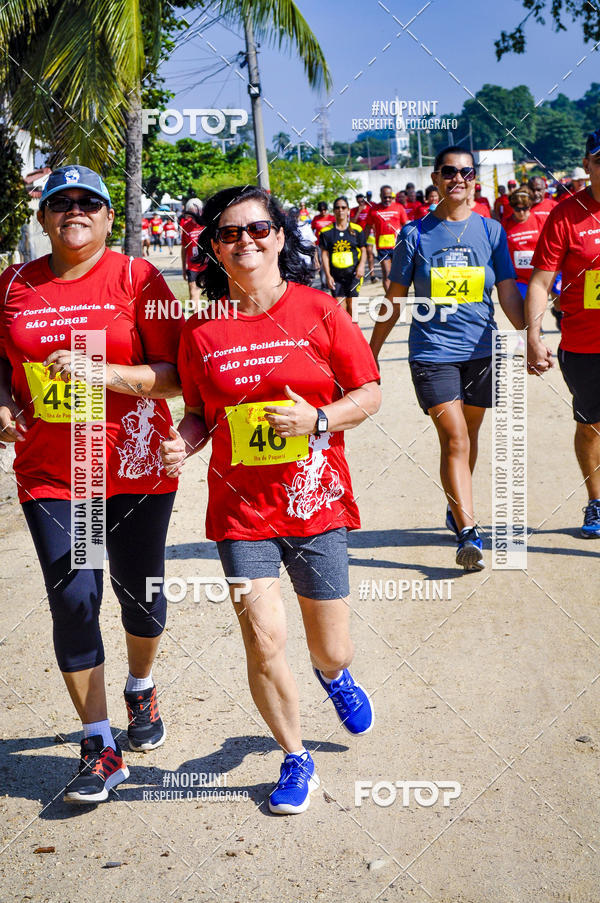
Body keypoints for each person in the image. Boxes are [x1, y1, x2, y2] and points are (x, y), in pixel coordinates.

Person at [161, 185, 380, 815]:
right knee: (262, 640)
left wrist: (318, 420)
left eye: (258, 229)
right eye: (230, 233)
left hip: (316, 505)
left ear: (281, 238)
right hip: (241, 512)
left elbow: (368, 393)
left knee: (329, 646)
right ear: (214, 249)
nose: (246, 241)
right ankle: (295, 758)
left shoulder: (320, 311)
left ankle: (335, 676)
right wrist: (184, 444)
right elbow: (201, 414)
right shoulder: (201, 332)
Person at [0, 165, 182, 803]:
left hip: (132, 468)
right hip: (57, 475)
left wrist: (98, 373)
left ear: (109, 216)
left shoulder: (139, 279)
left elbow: (174, 377)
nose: (73, 209)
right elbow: (1, 362)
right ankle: (98, 743)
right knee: (76, 597)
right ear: (45, 216)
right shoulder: (16, 283)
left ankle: (139, 686)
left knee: (141, 599)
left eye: (88, 202)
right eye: (60, 202)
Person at [369, 146, 524, 570]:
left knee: (468, 438)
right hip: (432, 351)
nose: (458, 178)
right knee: (454, 436)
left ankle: (458, 508)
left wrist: (528, 334)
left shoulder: (492, 231)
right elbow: (394, 298)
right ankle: (469, 533)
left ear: (474, 178)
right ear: (435, 179)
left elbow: (507, 289)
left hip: (481, 351)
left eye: (466, 172)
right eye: (449, 172)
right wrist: (371, 353)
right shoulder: (414, 234)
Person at [526, 128, 600, 537]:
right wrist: (533, 337)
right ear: (587, 165)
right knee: (591, 424)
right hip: (585, 343)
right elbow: (539, 283)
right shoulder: (565, 215)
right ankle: (597, 501)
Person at [319, 195, 366, 317]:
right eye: (337, 208)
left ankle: (355, 334)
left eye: (343, 207)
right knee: (340, 309)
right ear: (334, 210)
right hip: (336, 276)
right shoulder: (326, 232)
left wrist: (361, 267)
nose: (340, 210)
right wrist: (327, 275)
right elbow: (324, 254)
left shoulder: (357, 230)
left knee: (352, 307)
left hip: (353, 275)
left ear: (348, 210)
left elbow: (364, 250)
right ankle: (345, 335)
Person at [366, 185, 408, 293]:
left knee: (398, 274)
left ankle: (398, 295)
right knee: (387, 273)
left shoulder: (399, 208)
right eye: (385, 197)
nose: (387, 199)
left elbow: (406, 225)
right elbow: (368, 227)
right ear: (380, 196)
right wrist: (361, 242)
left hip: (397, 246)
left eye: (389, 197)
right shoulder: (374, 209)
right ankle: (390, 298)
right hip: (382, 246)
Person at [504, 186, 543, 299]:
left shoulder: (539, 220)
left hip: (538, 275)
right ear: (512, 208)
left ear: (530, 206)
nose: (521, 212)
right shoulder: (506, 223)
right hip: (519, 278)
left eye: (525, 208)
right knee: (525, 311)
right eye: (517, 209)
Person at [180, 198, 206, 307]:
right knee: (192, 291)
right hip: (192, 265)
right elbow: (184, 248)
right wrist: (183, 268)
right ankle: (196, 313)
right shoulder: (186, 227)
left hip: (206, 264)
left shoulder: (206, 224)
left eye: (196, 210)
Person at [351, 193, 377, 283]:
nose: (361, 203)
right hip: (357, 234)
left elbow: (373, 221)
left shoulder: (370, 209)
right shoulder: (354, 210)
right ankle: (357, 273)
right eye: (359, 201)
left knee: (369, 253)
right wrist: (359, 211)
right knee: (358, 254)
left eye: (362, 201)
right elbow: (353, 222)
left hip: (369, 233)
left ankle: (372, 274)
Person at [311, 201, 335, 290]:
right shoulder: (316, 219)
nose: (323, 212)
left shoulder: (332, 218)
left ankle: (332, 280)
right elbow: (312, 231)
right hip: (320, 245)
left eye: (324, 209)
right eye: (321, 210)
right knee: (322, 264)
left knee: (331, 263)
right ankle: (324, 283)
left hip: (331, 244)